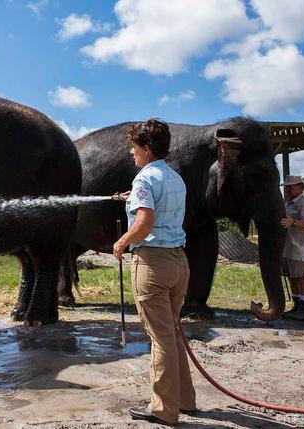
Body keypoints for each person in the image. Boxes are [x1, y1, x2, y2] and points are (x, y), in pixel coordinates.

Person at [113, 118, 196, 426]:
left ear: (146, 149)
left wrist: (122, 242)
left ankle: (163, 409)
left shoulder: (144, 180)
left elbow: (145, 223)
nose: (132, 155)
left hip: (152, 264)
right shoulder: (175, 178)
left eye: (134, 150)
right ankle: (185, 400)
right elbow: (158, 210)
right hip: (178, 263)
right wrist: (131, 199)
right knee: (173, 333)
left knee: (160, 338)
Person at [280, 175, 304, 323]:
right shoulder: (289, 203)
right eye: (287, 186)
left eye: (292, 186)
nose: (288, 189)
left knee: (301, 278)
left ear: (301, 187)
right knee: (293, 278)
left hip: (301, 247)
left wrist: (293, 223)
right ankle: (297, 307)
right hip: (290, 248)